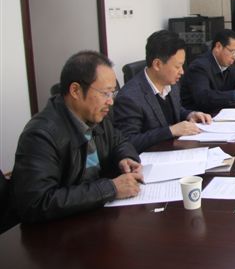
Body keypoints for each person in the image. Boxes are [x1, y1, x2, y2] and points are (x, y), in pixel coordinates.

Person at [11, 51, 144, 223]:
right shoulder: (40, 135)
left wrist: (125, 157)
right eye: (105, 93)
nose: (110, 101)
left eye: (113, 93)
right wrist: (110, 188)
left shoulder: (96, 115)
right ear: (75, 90)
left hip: (96, 214)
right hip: (59, 231)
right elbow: (37, 203)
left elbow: (119, 140)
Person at [114, 30, 212, 153]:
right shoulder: (129, 97)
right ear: (157, 64)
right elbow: (128, 142)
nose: (182, 71)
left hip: (176, 151)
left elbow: (175, 110)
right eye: (177, 66)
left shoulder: (171, 83)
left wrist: (190, 115)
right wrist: (170, 131)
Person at [181, 29, 235, 113]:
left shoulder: (227, 64)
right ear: (218, 47)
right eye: (232, 51)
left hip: (219, 113)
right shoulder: (199, 67)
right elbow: (204, 98)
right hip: (198, 117)